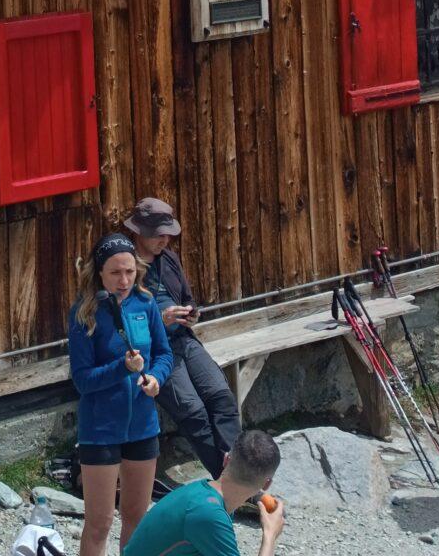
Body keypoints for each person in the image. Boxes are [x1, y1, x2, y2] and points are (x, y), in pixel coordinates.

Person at [67, 234, 172, 556]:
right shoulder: (84, 313)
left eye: (129, 271)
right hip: (100, 432)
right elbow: (82, 381)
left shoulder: (146, 303)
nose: (124, 280)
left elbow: (165, 354)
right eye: (115, 273)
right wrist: (121, 369)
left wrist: (155, 378)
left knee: (137, 520)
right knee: (99, 524)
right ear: (99, 272)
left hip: (142, 426)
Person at [127, 197, 241, 478]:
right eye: (158, 234)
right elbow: (122, 316)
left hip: (183, 339)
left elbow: (188, 298)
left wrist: (191, 314)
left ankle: (240, 473)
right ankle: (228, 482)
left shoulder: (169, 258)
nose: (164, 239)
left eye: (167, 233)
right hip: (154, 350)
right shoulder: (124, 265)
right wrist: (159, 318)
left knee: (222, 398)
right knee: (194, 413)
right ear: (139, 231)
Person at [120, 429, 287, 556]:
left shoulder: (202, 494)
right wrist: (270, 534)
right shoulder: (209, 515)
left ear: (226, 459)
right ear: (267, 484)